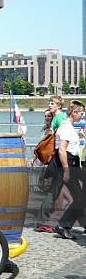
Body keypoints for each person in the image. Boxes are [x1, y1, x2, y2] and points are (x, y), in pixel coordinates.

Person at [53, 100, 85, 239]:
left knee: (81, 197)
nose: (82, 116)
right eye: (81, 114)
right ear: (74, 113)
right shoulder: (66, 127)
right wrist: (66, 169)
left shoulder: (68, 127)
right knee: (79, 198)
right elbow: (62, 150)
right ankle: (63, 225)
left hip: (72, 164)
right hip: (69, 165)